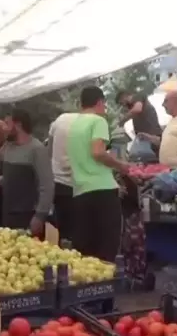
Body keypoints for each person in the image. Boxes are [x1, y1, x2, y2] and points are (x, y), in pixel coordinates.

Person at [67, 86, 129, 262]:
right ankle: (106, 286)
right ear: (100, 102)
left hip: (80, 192)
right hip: (102, 191)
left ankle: (87, 287)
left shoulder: (74, 126)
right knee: (107, 248)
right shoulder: (98, 121)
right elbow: (98, 152)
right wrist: (120, 165)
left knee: (85, 250)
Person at [47, 112, 78, 240]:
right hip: (80, 187)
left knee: (64, 232)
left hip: (59, 184)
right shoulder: (92, 124)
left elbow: (49, 151)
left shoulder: (60, 119)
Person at [116, 90, 162, 155]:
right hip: (145, 138)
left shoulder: (138, 96)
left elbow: (137, 109)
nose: (123, 105)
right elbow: (131, 114)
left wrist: (123, 118)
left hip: (153, 135)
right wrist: (121, 123)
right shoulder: (132, 107)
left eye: (121, 103)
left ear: (124, 97)